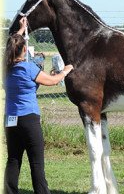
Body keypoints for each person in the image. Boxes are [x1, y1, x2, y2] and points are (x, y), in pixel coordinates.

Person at [4, 17, 73, 194]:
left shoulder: (5, 68)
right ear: (25, 49)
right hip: (29, 120)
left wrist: (20, 30)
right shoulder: (28, 68)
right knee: (36, 162)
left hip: (10, 121)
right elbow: (52, 81)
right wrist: (65, 70)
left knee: (13, 159)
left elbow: (10, 46)